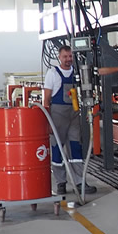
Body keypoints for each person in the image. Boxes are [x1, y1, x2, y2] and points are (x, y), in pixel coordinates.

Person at [43, 46, 95, 195]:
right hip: (57, 115)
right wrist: (48, 121)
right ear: (59, 57)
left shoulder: (77, 72)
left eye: (70, 56)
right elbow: (46, 99)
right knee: (57, 148)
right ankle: (61, 183)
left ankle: (79, 182)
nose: (68, 59)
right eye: (65, 56)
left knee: (75, 147)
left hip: (74, 114)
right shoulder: (53, 73)